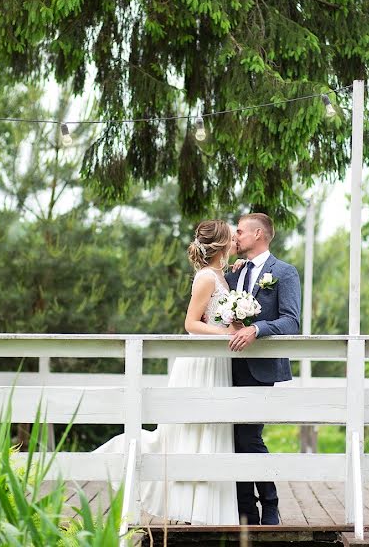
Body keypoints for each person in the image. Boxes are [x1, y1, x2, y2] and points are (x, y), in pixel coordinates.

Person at [94, 219, 239, 525]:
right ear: (222, 244)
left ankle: (204, 508)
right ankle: (184, 502)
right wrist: (224, 334)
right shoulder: (205, 278)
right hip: (200, 361)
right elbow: (191, 324)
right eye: (231, 236)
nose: (235, 240)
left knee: (212, 428)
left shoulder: (220, 276)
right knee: (190, 428)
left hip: (218, 361)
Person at [225, 213, 302, 525]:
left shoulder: (283, 272)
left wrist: (258, 329)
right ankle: (246, 510)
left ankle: (269, 504)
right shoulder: (234, 274)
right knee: (234, 437)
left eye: (241, 231)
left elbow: (291, 320)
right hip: (227, 366)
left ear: (259, 235)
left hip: (261, 367)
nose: (236, 236)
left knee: (250, 437)